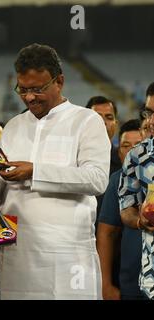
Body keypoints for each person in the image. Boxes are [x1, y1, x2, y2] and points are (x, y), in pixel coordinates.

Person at [0, 43, 110, 299]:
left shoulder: (86, 121)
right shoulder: (13, 126)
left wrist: (35, 172)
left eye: (37, 89)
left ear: (59, 81)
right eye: (23, 89)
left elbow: (96, 180)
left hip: (68, 255)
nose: (29, 97)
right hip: (17, 256)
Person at [97, 119, 144, 300]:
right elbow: (106, 234)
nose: (133, 151)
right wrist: (105, 284)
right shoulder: (117, 181)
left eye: (138, 144)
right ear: (119, 152)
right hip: (132, 285)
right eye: (126, 145)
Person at [119, 81, 154, 300]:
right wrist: (141, 220)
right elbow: (126, 207)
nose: (151, 121)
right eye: (149, 112)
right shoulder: (136, 156)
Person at [85, 96, 120, 175]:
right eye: (97, 117)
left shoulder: (125, 161)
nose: (103, 122)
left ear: (116, 125)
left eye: (109, 117)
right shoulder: (72, 158)